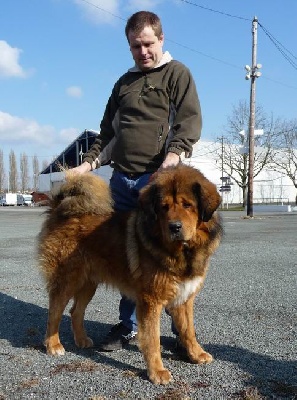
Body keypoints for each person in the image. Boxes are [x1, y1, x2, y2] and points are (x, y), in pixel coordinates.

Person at [71, 10, 202, 351]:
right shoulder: (123, 83)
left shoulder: (177, 74)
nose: (142, 52)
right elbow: (108, 134)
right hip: (121, 183)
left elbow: (187, 125)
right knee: (131, 261)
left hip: (157, 184)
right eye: (135, 46)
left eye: (147, 44)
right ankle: (129, 325)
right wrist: (86, 166)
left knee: (170, 256)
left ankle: (180, 332)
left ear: (161, 39)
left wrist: (170, 160)